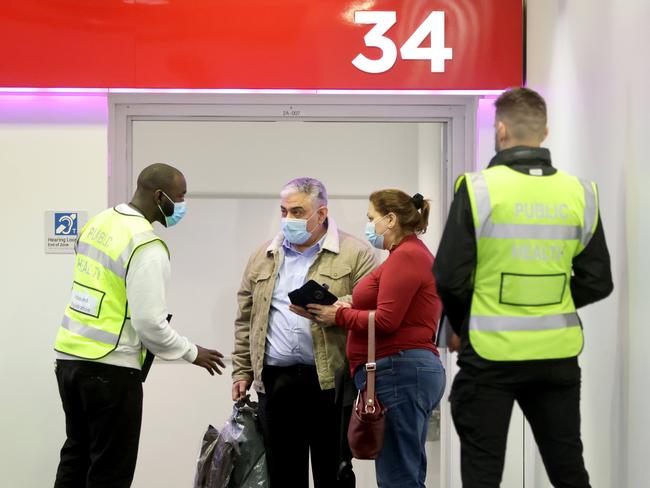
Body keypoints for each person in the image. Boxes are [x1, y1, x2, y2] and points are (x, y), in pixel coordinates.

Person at [434, 87, 614, 488]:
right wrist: (552, 301)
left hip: (490, 355)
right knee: (568, 469)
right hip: (557, 356)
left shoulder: (479, 189)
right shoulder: (580, 193)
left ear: (500, 130)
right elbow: (598, 279)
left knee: (483, 474)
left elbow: (449, 275)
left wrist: (464, 326)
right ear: (544, 132)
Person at [53, 163, 226, 488]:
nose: (183, 204)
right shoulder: (146, 245)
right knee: (110, 471)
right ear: (159, 196)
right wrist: (192, 352)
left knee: (76, 458)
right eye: (181, 196)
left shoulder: (100, 222)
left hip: (69, 360)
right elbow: (149, 324)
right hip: (111, 369)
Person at [231, 177, 377, 488]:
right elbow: (246, 319)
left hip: (331, 382)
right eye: (284, 211)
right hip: (276, 380)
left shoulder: (356, 253)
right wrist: (241, 370)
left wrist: (336, 311)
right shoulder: (263, 256)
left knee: (333, 472)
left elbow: (372, 307)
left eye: (297, 212)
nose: (288, 219)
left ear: (321, 214)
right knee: (283, 474)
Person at [308, 189, 446, 488]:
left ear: (391, 219)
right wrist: (350, 307)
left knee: (399, 477)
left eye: (372, 218)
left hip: (399, 372)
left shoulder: (407, 256)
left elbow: (385, 320)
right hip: (403, 372)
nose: (369, 225)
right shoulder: (406, 256)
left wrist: (339, 316)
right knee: (403, 471)